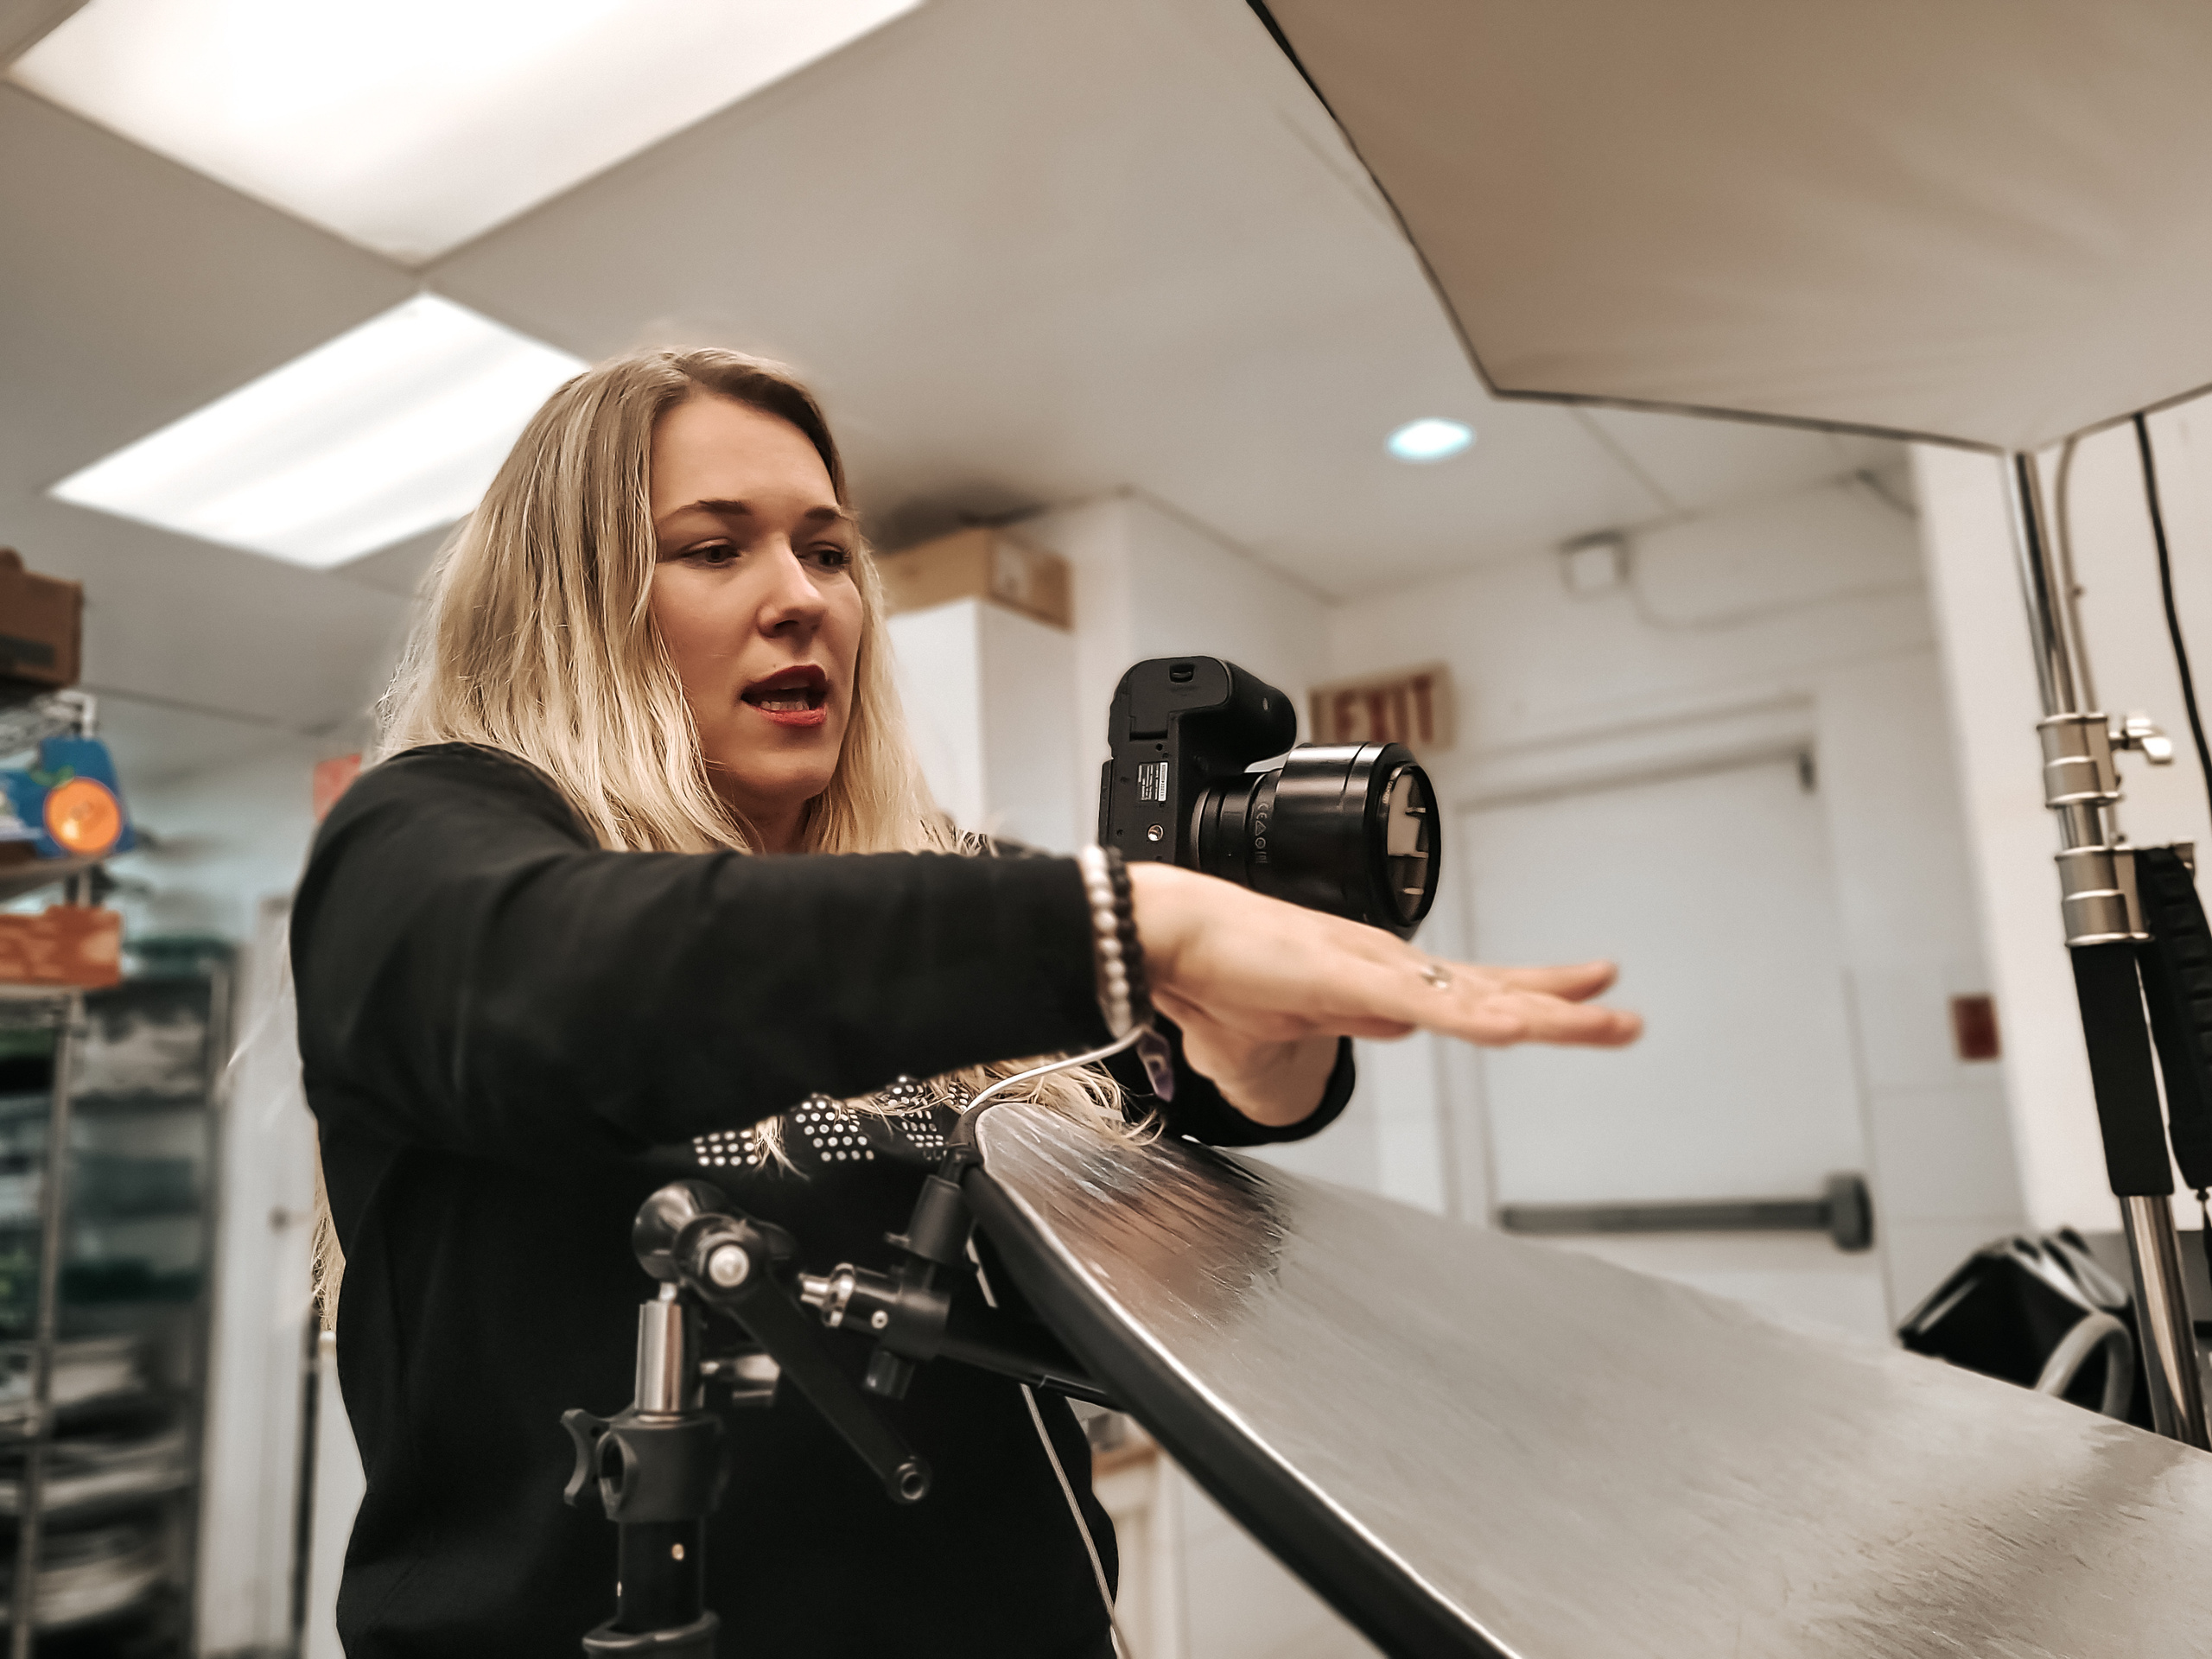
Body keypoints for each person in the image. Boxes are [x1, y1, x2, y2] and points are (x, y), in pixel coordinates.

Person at [289, 347, 1639, 1659]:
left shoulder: (948, 892)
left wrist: (1265, 1042)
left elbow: (1206, 1098)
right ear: (565, 602)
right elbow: (541, 982)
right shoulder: (425, 842)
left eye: (826, 551)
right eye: (715, 548)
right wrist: (1131, 922)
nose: (802, 596)